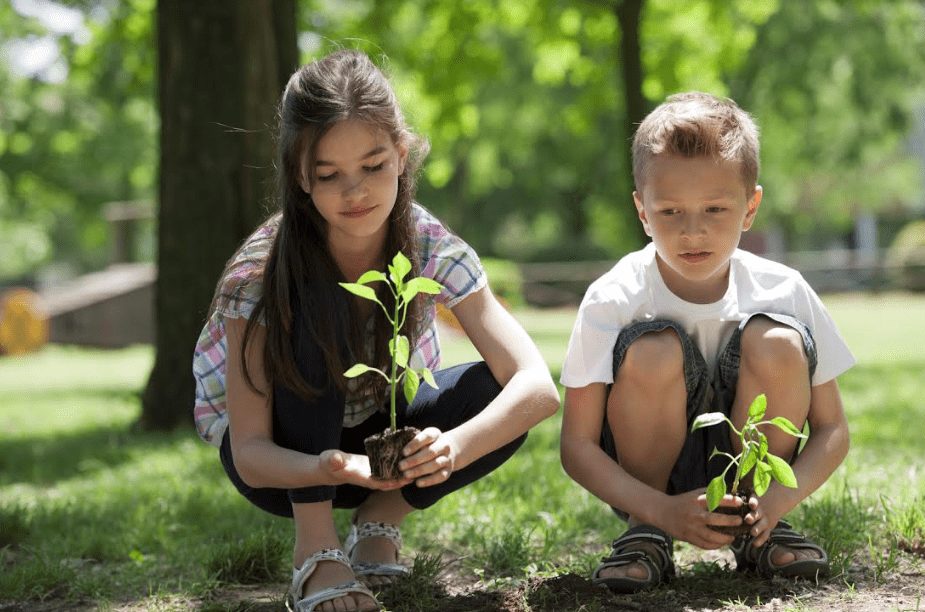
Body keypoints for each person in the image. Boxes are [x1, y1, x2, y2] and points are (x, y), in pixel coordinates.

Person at [192, 49, 559, 612]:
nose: (355, 191)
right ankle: (316, 551)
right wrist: (324, 467)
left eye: (373, 165)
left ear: (402, 155)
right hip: (290, 465)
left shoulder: (426, 241)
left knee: (493, 390)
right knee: (319, 302)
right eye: (328, 174)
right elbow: (250, 452)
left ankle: (379, 521)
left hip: (388, 452)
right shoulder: (261, 272)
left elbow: (537, 387)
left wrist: (451, 449)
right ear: (299, 176)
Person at [559, 92, 854, 593]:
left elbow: (832, 430)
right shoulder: (613, 297)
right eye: (670, 211)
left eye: (715, 208)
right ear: (642, 211)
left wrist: (777, 500)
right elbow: (577, 445)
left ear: (750, 206)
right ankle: (646, 534)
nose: (693, 231)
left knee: (778, 341)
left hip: (758, 480)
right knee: (653, 350)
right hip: (651, 483)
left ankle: (757, 530)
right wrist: (659, 510)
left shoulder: (785, 289)